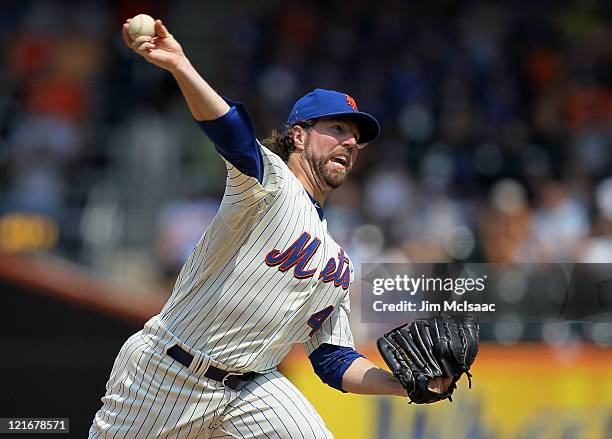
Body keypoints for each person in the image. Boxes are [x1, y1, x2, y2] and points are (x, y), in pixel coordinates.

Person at [89, 18, 450, 438]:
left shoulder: (338, 262)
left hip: (253, 389)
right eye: (337, 130)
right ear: (298, 137)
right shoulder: (269, 182)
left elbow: (333, 359)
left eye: (355, 139)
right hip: (167, 373)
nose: (349, 143)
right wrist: (181, 66)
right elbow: (233, 134)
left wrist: (404, 384)